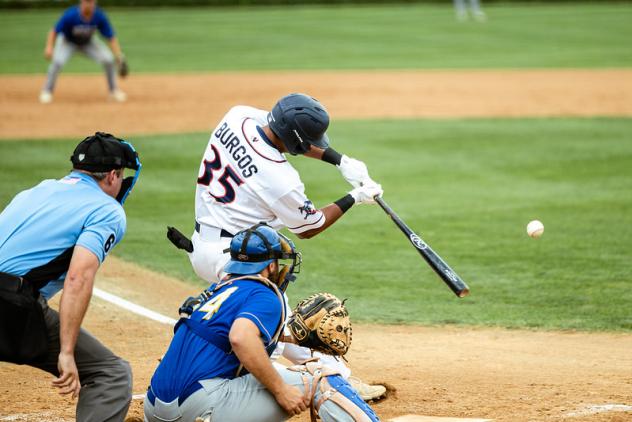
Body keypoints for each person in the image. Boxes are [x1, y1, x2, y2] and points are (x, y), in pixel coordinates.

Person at [168, 92, 386, 400]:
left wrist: (339, 161)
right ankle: (310, 382)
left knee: (275, 319)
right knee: (270, 320)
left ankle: (336, 376)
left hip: (204, 244)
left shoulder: (238, 115)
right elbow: (310, 227)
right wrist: (356, 197)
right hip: (239, 259)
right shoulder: (279, 179)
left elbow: (287, 133)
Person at [146, 224, 379, 422]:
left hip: (154, 407)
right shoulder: (264, 294)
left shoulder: (217, 291)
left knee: (260, 371)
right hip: (197, 407)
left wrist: (293, 337)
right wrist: (281, 391)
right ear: (269, 266)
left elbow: (225, 338)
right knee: (320, 379)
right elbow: (241, 338)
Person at [0, 132, 142, 421]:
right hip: (10, 306)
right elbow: (78, 278)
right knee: (111, 374)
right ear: (113, 175)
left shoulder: (38, 190)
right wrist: (66, 351)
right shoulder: (107, 209)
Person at [40, 0, 127, 104]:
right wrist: (49, 47)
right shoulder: (71, 15)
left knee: (108, 60)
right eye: (87, 2)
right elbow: (54, 31)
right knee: (57, 62)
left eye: (91, 2)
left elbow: (110, 37)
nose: (89, 5)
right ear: (81, 2)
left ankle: (113, 91)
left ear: (95, 3)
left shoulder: (99, 15)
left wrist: (118, 55)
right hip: (67, 42)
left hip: (88, 42)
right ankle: (47, 91)